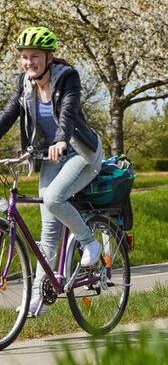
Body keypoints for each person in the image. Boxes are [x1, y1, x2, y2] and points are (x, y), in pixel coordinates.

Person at [0, 26, 103, 316]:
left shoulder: (67, 78)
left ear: (49, 57)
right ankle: (40, 299)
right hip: (49, 157)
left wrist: (60, 139)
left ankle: (89, 242)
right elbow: (9, 114)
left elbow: (68, 113)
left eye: (34, 56)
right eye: (23, 57)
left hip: (81, 152)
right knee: (47, 233)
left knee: (55, 198)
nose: (28, 62)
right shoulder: (24, 83)